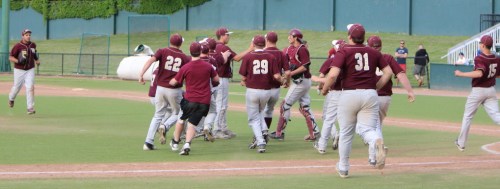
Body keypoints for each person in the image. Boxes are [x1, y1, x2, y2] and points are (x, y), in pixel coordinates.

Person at [320, 23, 392, 178]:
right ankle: (376, 141)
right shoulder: (374, 52)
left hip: (349, 94)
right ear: (364, 37)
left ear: (349, 37)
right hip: (370, 94)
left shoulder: (343, 51)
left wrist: (325, 88)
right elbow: (388, 72)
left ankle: (344, 168)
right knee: (367, 130)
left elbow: (332, 75)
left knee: (346, 133)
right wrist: (376, 86)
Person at [366, 35, 415, 166]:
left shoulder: (367, 59)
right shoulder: (387, 58)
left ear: (368, 46)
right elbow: (401, 74)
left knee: (371, 128)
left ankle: (376, 152)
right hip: (386, 98)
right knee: (376, 126)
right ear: (381, 46)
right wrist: (409, 91)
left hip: (371, 95)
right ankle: (372, 157)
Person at [138, 33, 191, 150]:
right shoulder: (184, 57)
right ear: (181, 43)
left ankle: (148, 142)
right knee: (179, 113)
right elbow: (188, 74)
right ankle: (165, 126)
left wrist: (141, 74)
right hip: (174, 90)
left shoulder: (162, 51)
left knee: (157, 115)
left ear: (170, 41)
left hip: (160, 88)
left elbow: (150, 61)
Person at [169, 42, 220, 155]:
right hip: (204, 101)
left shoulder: (186, 67)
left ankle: (175, 142)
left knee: (181, 119)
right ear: (200, 52)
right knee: (192, 124)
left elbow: (174, 82)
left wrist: (171, 81)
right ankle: (187, 144)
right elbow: (217, 79)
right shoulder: (208, 66)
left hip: (190, 100)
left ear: (190, 51)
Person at [270, 28, 320, 141]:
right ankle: (314, 133)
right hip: (298, 81)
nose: (288, 37)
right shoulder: (289, 49)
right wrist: (286, 78)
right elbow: (286, 65)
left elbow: (304, 66)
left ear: (295, 37)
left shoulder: (302, 49)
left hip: (301, 81)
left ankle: (279, 132)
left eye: (290, 36)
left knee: (285, 105)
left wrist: (290, 73)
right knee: (305, 108)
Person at [454, 35, 500, 152]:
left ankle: (461, 143)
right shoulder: (496, 58)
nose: (479, 44)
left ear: (483, 45)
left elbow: (479, 74)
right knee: (496, 116)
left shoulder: (480, 58)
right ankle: (460, 142)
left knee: (468, 116)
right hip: (491, 90)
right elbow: (498, 74)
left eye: (480, 43)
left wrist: (461, 74)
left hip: (478, 90)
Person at [239, 35, 281, 153]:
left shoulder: (248, 56)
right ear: (265, 43)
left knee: (253, 119)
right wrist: (283, 81)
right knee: (260, 112)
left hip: (252, 90)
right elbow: (277, 76)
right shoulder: (271, 56)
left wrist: (243, 81)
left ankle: (261, 141)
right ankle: (264, 129)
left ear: (254, 44)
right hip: (266, 91)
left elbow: (243, 75)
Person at [213, 27, 252, 139]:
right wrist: (250, 49)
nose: (228, 36)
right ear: (222, 36)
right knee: (221, 105)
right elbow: (238, 58)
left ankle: (223, 127)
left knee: (221, 104)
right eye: (227, 35)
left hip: (214, 79)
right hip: (221, 79)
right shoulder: (224, 47)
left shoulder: (213, 46)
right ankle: (217, 129)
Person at [312, 39, 345, 154]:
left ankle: (322, 145)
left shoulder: (332, 60)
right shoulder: (351, 60)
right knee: (345, 119)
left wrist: (320, 85)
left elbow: (328, 77)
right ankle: (341, 138)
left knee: (327, 118)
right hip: (349, 93)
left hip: (334, 92)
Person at [8, 29, 40, 115]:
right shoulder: (18, 46)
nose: (28, 36)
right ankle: (11, 98)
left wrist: (37, 60)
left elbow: (34, 53)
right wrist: (18, 61)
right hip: (19, 70)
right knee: (16, 87)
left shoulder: (33, 45)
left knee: (30, 87)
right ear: (23, 36)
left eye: (29, 35)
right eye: (26, 35)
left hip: (30, 69)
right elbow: (10, 57)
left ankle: (30, 108)